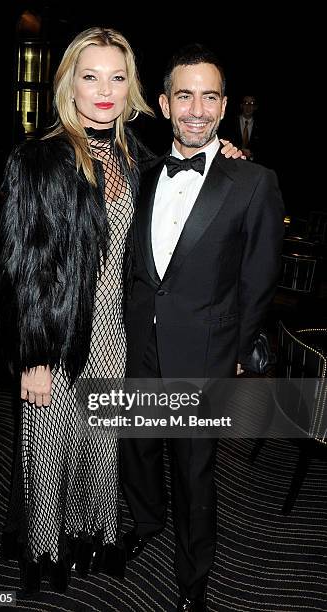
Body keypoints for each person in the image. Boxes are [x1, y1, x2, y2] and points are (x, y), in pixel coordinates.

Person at [0, 27, 242, 596]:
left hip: (116, 332)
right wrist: (32, 355)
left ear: (131, 85)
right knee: (53, 446)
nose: (105, 91)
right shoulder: (37, 159)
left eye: (117, 77)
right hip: (58, 337)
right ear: (69, 85)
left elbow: (189, 201)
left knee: (101, 446)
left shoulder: (137, 159)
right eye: (91, 77)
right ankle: (46, 554)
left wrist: (223, 154)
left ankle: (88, 541)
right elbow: (21, 270)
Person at [120, 44, 284, 611]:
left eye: (209, 95)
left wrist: (239, 351)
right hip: (137, 345)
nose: (196, 108)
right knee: (137, 450)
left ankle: (195, 576)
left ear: (222, 104)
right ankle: (144, 525)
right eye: (184, 95)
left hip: (206, 352)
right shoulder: (138, 174)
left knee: (195, 473)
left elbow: (259, 276)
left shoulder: (253, 181)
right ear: (164, 104)